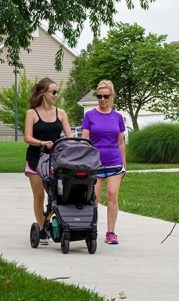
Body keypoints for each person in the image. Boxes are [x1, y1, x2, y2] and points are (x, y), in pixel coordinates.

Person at [24, 77, 72, 244]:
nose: (56, 95)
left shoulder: (61, 113)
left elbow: (69, 137)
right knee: (39, 196)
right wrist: (42, 143)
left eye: (57, 92)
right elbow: (27, 138)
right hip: (36, 160)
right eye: (53, 92)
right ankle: (42, 227)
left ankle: (47, 223)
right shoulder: (32, 113)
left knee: (55, 196)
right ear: (44, 93)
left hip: (55, 160)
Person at [81, 80, 126, 245]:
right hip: (95, 164)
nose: (102, 99)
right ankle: (90, 229)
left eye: (106, 96)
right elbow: (84, 141)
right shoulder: (90, 116)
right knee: (94, 198)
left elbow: (121, 142)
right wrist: (84, 162)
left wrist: (124, 165)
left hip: (114, 162)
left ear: (112, 96)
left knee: (112, 196)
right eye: (99, 96)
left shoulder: (117, 117)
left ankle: (111, 232)